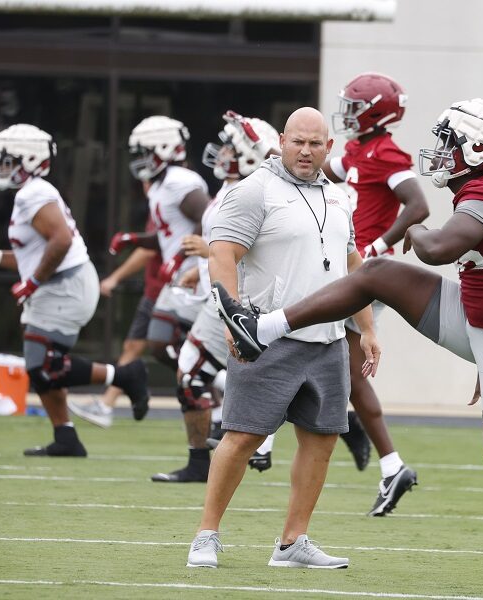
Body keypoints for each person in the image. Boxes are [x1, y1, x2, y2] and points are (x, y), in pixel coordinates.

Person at [212, 99, 483, 600]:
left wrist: (412, 227)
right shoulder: (481, 187)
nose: (440, 151)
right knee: (375, 275)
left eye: (450, 142)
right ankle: (262, 328)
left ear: (478, 149)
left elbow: (437, 249)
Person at [186, 107, 377, 570]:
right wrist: (234, 319)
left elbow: (354, 268)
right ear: (282, 142)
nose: (306, 151)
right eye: (298, 141)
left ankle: (293, 542)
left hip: (329, 340)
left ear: (328, 147)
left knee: (321, 440)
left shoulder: (338, 197)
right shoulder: (255, 190)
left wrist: (367, 327)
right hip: (269, 336)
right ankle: (205, 535)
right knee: (242, 437)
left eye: (315, 143)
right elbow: (222, 255)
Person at [0, 123, 149, 457]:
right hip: (61, 284)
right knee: (42, 366)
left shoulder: (32, 192)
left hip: (65, 285)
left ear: (29, 159)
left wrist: (33, 282)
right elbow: (29, 257)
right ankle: (65, 437)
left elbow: (61, 240)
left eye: (7, 160)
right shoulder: (32, 193)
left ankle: (125, 375)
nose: (1, 167)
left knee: (44, 366)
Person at [151, 110, 281, 482]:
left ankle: (250, 444)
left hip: (245, 294)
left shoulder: (257, 192)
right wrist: (200, 267)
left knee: (201, 371)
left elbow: (250, 248)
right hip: (223, 290)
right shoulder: (230, 186)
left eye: (231, 146)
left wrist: (207, 253)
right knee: (194, 372)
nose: (223, 151)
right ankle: (204, 459)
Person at [324, 72, 430, 515]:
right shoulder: (355, 150)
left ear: (375, 112)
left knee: (323, 357)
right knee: (343, 372)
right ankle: (391, 466)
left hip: (364, 273)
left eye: (354, 106)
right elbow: (317, 173)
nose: (347, 114)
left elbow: (419, 205)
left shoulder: (385, 151)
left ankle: (264, 441)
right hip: (347, 270)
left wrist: (378, 246)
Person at [109, 115, 212, 475]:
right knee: (170, 353)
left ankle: (223, 392)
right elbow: (170, 234)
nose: (140, 158)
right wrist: (135, 240)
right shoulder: (162, 184)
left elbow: (210, 216)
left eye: (146, 151)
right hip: (181, 279)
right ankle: (201, 450)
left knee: (167, 347)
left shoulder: (180, 180)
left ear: (167, 148)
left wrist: (184, 258)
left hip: (194, 279)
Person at [68, 223, 163, 428]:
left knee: (189, 353)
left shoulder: (176, 199)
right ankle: (106, 404)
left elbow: (148, 250)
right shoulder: (161, 201)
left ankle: (215, 406)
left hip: (171, 293)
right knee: (133, 346)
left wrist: (115, 278)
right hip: (157, 291)